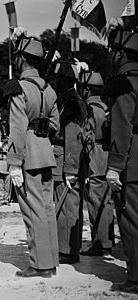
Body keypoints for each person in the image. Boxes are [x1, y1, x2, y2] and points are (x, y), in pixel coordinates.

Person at [4, 36, 59, 278]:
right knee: (47, 209)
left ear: (22, 59)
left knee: (33, 211)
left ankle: (40, 264)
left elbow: (17, 127)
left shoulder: (19, 87)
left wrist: (14, 163)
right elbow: (55, 126)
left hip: (27, 153)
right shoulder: (49, 89)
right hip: (45, 150)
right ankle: (51, 261)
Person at [106, 28, 138, 294]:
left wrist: (115, 167)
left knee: (130, 220)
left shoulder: (123, 82)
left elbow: (121, 128)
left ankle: (136, 278)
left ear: (120, 53)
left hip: (133, 161)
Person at [50, 61, 89, 265]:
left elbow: (73, 139)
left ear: (63, 80)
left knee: (67, 207)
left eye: (56, 79)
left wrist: (70, 169)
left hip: (66, 161)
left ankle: (67, 251)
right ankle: (69, 248)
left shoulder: (72, 102)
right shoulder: (67, 101)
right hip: (64, 161)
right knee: (68, 206)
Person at [77, 71, 115, 256]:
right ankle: (106, 241)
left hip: (95, 158)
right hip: (108, 157)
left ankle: (101, 244)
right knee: (106, 201)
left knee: (96, 202)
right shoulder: (106, 107)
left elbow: (85, 136)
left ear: (86, 90)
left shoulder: (89, 109)